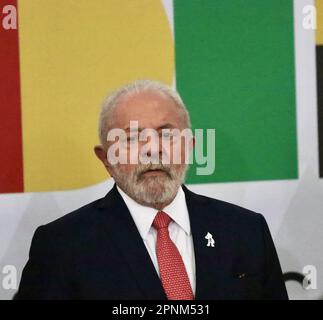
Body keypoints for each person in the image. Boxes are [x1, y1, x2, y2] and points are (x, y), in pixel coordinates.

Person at [15, 80, 288, 300]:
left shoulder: (246, 231)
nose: (152, 149)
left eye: (167, 134)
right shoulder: (62, 246)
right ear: (106, 158)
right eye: (132, 138)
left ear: (190, 146)